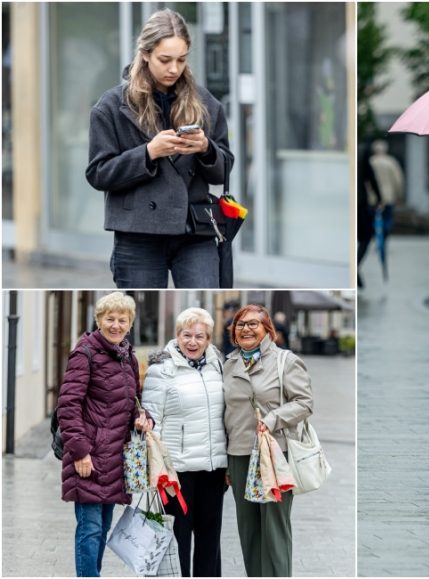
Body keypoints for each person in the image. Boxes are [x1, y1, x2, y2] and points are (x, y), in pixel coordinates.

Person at [86, 8, 233, 289]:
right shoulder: (111, 106)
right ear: (145, 53)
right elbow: (98, 173)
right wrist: (149, 152)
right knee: (137, 311)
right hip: (138, 233)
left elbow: (223, 171)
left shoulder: (206, 104)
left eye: (181, 59)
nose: (174, 69)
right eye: (165, 60)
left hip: (195, 229)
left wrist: (205, 148)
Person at [58, 292, 154, 577]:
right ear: (99, 320)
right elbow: (68, 404)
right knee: (89, 529)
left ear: (130, 323)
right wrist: (80, 452)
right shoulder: (85, 352)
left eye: (122, 320)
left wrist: (144, 418)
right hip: (89, 456)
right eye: (109, 319)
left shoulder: (128, 356)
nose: (115, 325)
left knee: (101, 528)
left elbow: (135, 400)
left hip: (115, 458)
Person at [223, 304, 313, 577]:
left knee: (274, 528)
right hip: (239, 453)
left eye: (253, 324)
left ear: (267, 330)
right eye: (241, 324)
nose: (246, 329)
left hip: (274, 454)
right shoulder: (229, 364)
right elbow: (225, 411)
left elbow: (305, 403)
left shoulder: (286, 361)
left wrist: (272, 419)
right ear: (234, 332)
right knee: (248, 529)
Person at [142, 307, 228, 577]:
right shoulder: (162, 368)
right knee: (177, 539)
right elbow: (151, 418)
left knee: (209, 539)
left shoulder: (220, 365)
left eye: (200, 336)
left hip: (213, 468)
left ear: (209, 339)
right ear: (177, 335)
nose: (193, 342)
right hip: (176, 472)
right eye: (186, 335)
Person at [357, 142, 380, 289]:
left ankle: (354, 267)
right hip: (360, 203)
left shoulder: (360, 152)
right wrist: (380, 198)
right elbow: (371, 177)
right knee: (365, 237)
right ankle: (355, 266)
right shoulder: (362, 151)